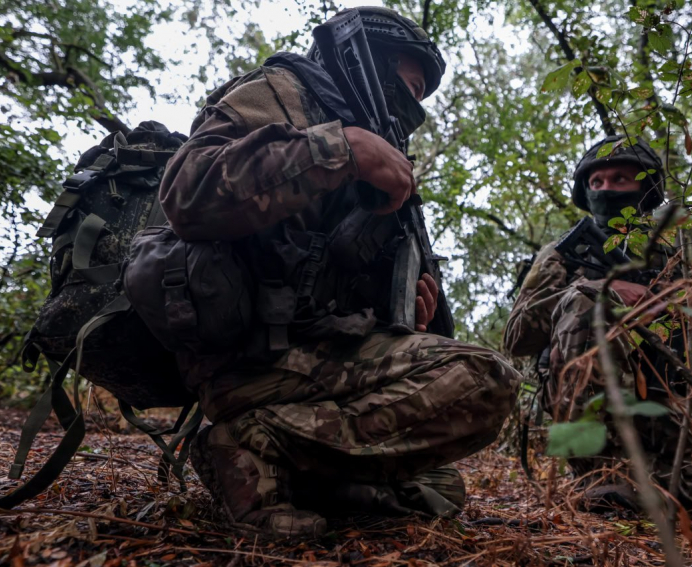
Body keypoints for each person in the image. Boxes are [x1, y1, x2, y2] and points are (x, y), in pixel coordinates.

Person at [159, 6, 520, 539]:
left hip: (320, 361)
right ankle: (250, 441)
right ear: (370, 57)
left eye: (422, 97)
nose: (412, 104)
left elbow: (336, 289)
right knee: (486, 379)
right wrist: (339, 149)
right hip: (250, 357)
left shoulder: (387, 172)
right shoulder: (282, 92)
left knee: (438, 487)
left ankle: (274, 467)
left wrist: (406, 321)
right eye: (411, 84)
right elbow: (187, 192)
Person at [503, 135, 692, 512]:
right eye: (596, 182)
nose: (606, 189)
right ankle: (602, 475)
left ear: (645, 188)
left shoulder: (672, 258)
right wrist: (600, 287)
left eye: (620, 179)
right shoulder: (560, 255)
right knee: (585, 299)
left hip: (665, 401)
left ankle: (648, 482)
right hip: (588, 404)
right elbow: (516, 339)